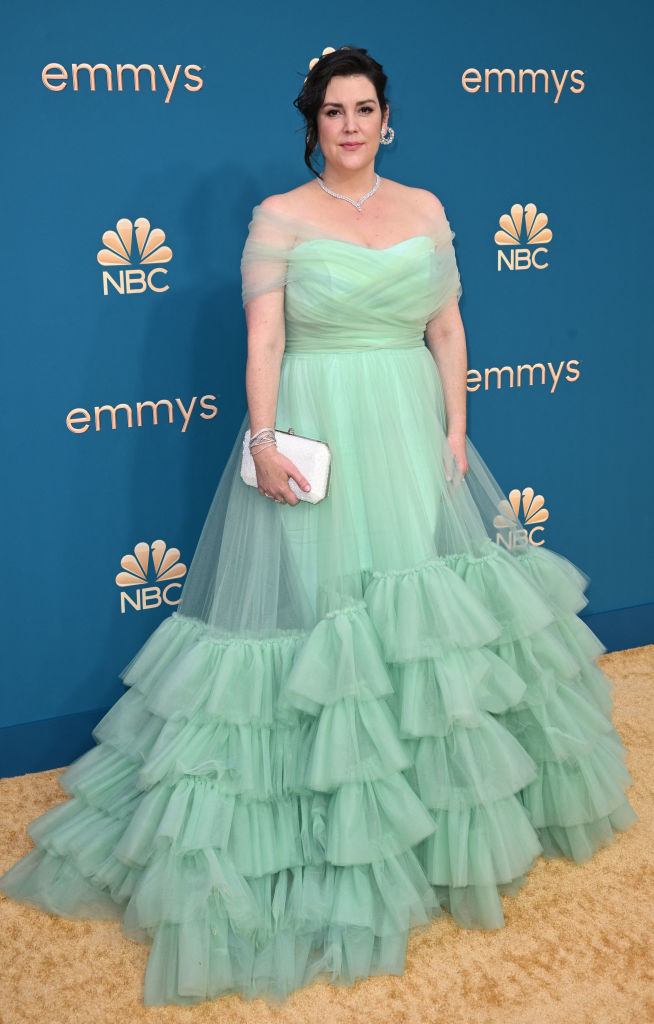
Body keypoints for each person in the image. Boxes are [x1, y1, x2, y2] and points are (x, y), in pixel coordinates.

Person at [0, 45, 638, 1008]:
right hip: (318, 423)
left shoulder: (425, 208)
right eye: (334, 110)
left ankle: (438, 821)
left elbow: (450, 327)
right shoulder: (281, 218)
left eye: (365, 107)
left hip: (410, 422)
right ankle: (335, 827)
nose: (351, 124)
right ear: (314, 125)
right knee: (325, 614)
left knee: (425, 619)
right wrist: (263, 439)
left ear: (388, 118)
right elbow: (264, 335)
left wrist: (457, 427)